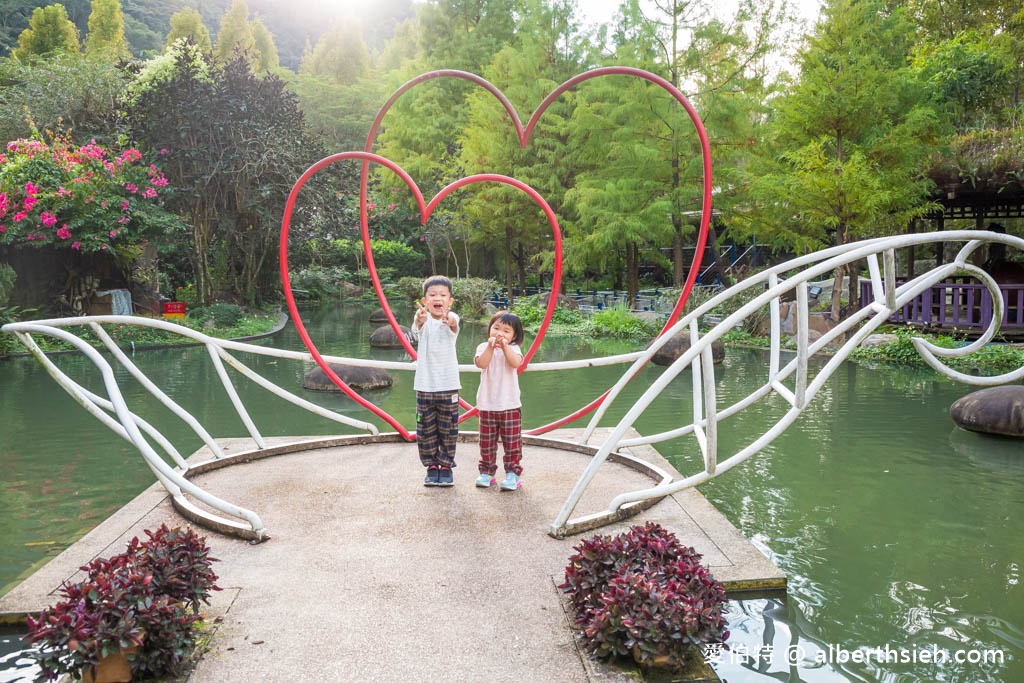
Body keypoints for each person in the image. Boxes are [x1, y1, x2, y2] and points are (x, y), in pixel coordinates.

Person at [410, 275, 461, 487]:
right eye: (432, 295)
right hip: (424, 386)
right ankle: (431, 466)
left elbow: (454, 324)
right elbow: (417, 327)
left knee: (449, 429)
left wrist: (449, 320)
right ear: (424, 300)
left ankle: (446, 466)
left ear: (450, 300)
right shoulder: (422, 318)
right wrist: (420, 319)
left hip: (449, 386)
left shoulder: (452, 318)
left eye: (442, 295)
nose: (437, 298)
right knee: (426, 430)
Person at [473, 311, 525, 491]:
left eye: (506, 331)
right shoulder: (482, 347)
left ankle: (513, 474)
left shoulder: (514, 349)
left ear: (514, 336)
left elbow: (515, 363)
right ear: (489, 329)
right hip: (487, 405)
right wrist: (490, 347)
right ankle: (487, 472)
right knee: (486, 442)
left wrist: (504, 347)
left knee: (512, 443)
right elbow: (482, 363)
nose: (500, 333)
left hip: (509, 405)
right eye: (496, 328)